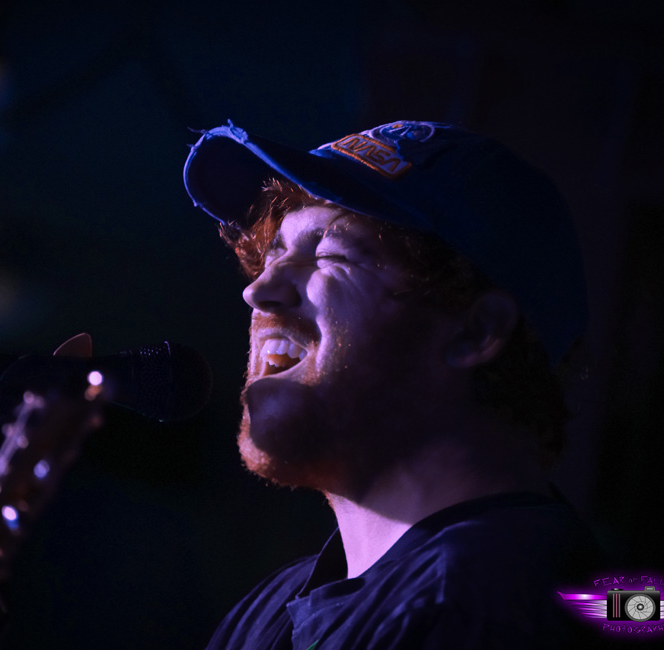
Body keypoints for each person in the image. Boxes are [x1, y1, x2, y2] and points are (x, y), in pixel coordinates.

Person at [182, 121, 607, 649]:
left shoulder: (494, 611)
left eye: (330, 255)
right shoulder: (269, 611)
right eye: (273, 256)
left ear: (476, 331)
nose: (259, 291)